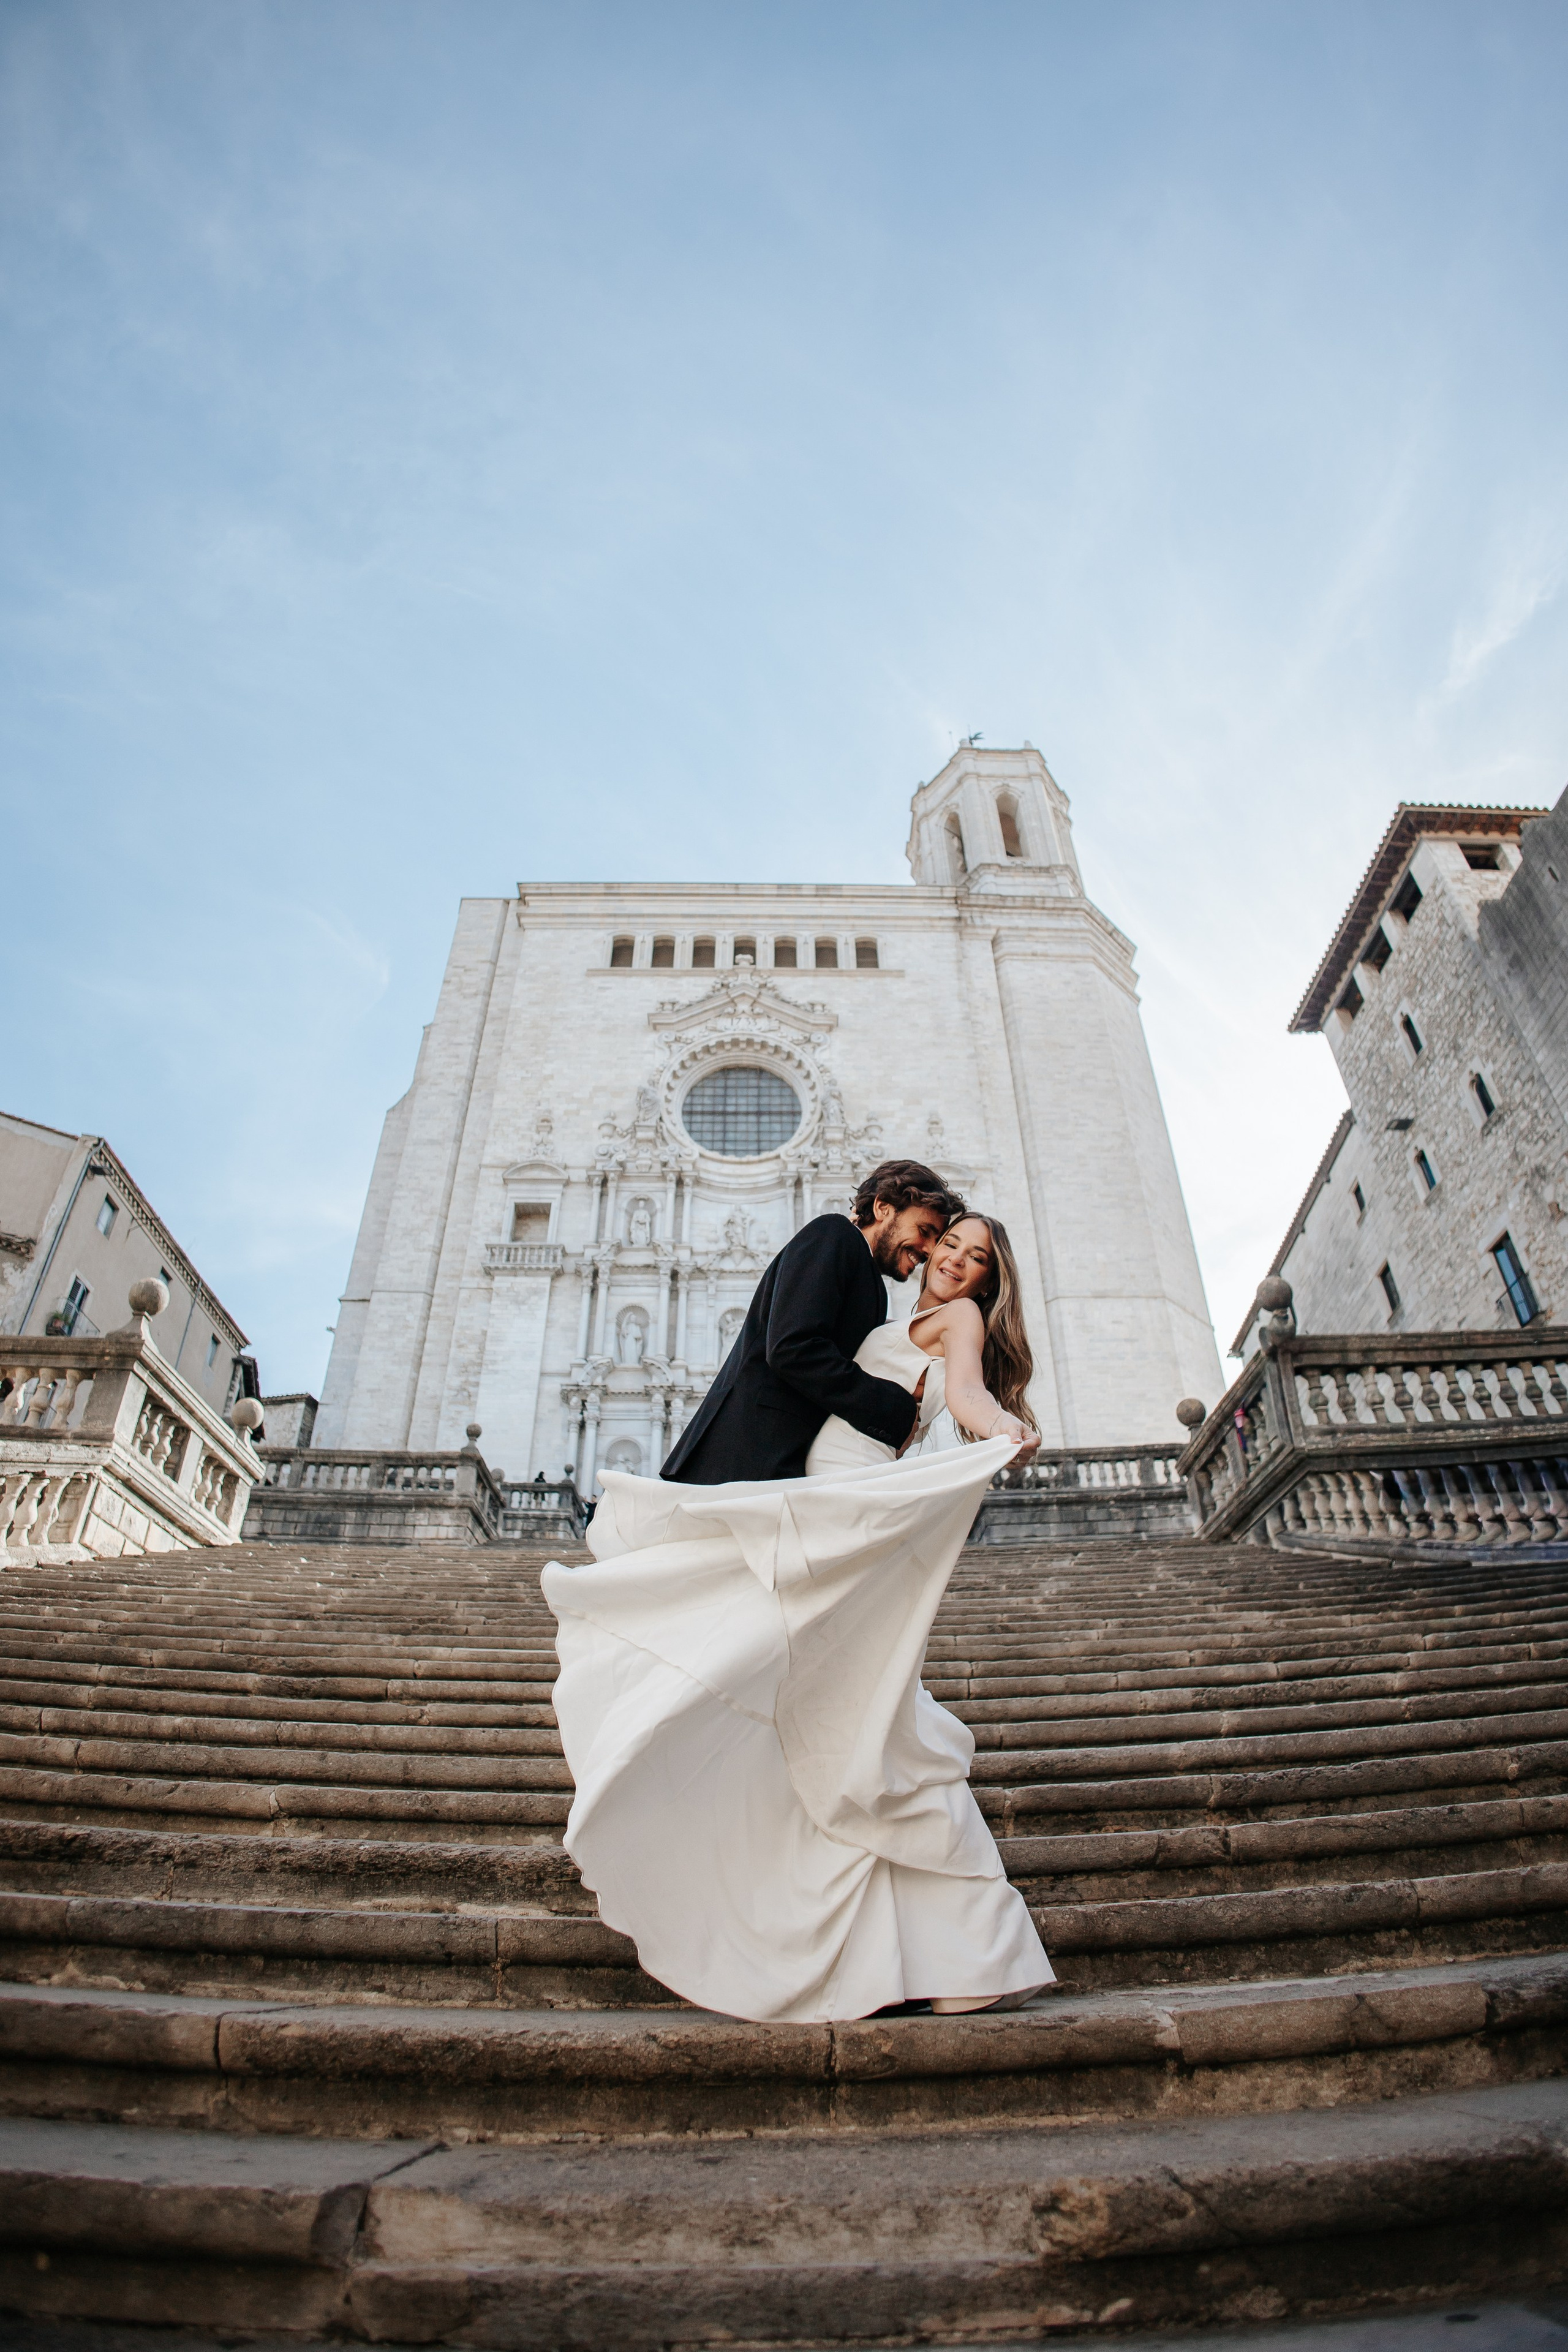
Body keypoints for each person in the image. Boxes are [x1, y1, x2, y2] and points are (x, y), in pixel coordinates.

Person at [542, 1193, 1056, 2023]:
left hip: (847, 1507)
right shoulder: (887, 1309)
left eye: (971, 1255)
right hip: (814, 1496)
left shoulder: (956, 1319)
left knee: (867, 1711)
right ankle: (945, 1951)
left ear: (991, 1280)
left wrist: (1004, 1427)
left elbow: (965, 1393)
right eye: (944, 1243)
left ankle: (974, 1939)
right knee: (847, 1712)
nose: (952, 1258)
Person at [661, 1159, 962, 1484]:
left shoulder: (868, 1279)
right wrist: (893, 1409)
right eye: (925, 1231)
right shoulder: (834, 1233)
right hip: (747, 1457)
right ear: (883, 1208)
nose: (931, 1250)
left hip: (774, 1461)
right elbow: (794, 1347)